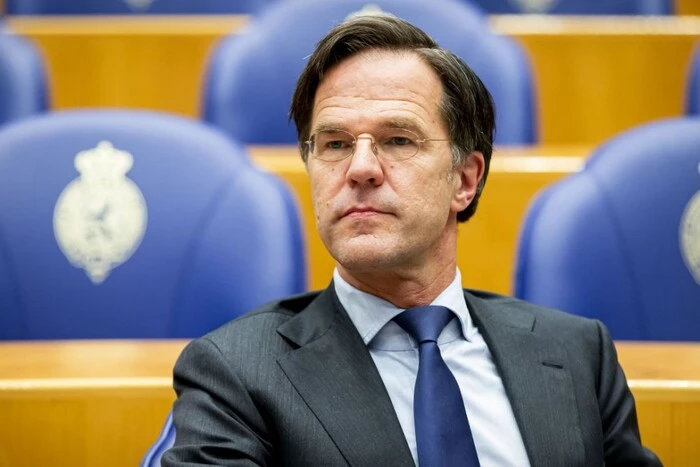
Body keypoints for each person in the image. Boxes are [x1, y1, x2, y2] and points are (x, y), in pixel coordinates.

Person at [162, 14, 660, 467]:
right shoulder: (235, 373)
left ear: (465, 180)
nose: (360, 168)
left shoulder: (577, 353)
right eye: (334, 144)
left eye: (398, 140)